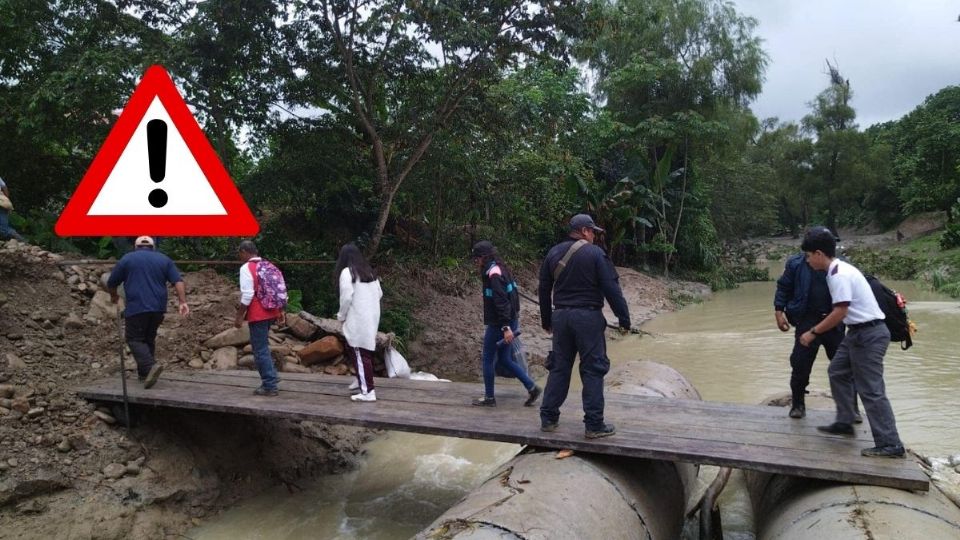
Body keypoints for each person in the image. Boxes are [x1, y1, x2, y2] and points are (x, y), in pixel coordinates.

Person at [799, 227, 905, 458]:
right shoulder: (837, 270)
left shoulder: (839, 274)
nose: (807, 261)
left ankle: (891, 444)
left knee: (871, 390)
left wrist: (813, 332)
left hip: (868, 334)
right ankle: (845, 421)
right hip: (858, 333)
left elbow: (840, 311)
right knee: (837, 371)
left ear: (818, 253)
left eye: (808, 256)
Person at [538, 214, 630, 439]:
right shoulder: (596, 254)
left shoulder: (553, 253)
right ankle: (594, 425)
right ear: (585, 231)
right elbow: (612, 289)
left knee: (559, 367)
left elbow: (543, 289)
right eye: (593, 232)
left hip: (561, 317)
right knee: (592, 369)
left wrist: (547, 320)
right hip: (588, 318)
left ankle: (548, 419)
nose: (594, 236)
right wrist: (624, 319)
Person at [774, 227, 852, 420]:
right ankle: (798, 404)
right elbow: (784, 287)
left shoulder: (841, 267)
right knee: (800, 364)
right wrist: (779, 311)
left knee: (844, 366)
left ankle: (852, 408)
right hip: (806, 320)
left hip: (834, 321)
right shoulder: (796, 264)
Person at [107, 236, 189, 388]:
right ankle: (144, 375)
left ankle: (150, 366)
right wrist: (182, 301)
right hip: (158, 308)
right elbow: (178, 281)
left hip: (137, 307)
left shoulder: (127, 259)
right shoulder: (164, 259)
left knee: (134, 339)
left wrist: (114, 296)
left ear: (136, 247)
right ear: (153, 247)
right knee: (148, 339)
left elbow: (112, 282)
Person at [470, 240, 541, 407]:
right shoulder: (501, 268)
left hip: (500, 324)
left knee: (487, 359)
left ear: (484, 257)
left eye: (477, 259)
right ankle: (532, 387)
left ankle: (489, 398)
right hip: (510, 320)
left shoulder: (493, 274)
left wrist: (505, 328)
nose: (476, 262)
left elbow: (501, 303)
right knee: (504, 359)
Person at [235, 240, 285, 396]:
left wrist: (239, 315)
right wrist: (281, 310)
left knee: (259, 349)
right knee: (263, 346)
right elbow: (279, 288)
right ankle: (273, 376)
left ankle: (269, 385)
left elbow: (248, 294)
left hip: (258, 312)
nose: (239, 256)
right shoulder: (268, 265)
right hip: (271, 310)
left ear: (244, 252)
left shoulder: (247, 268)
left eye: (240, 253)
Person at [334, 243, 383, 402]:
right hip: (372, 316)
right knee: (357, 349)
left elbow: (347, 297)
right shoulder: (368, 271)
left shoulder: (347, 273)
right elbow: (380, 294)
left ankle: (368, 391)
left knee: (360, 352)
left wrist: (341, 316)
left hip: (358, 318)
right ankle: (360, 379)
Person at [0, 176, 26, 242]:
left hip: (1, 203)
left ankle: (20, 239)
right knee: (3, 229)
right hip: (3, 202)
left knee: (3, 229)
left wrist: (6, 200)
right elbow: (4, 186)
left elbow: (4, 187)